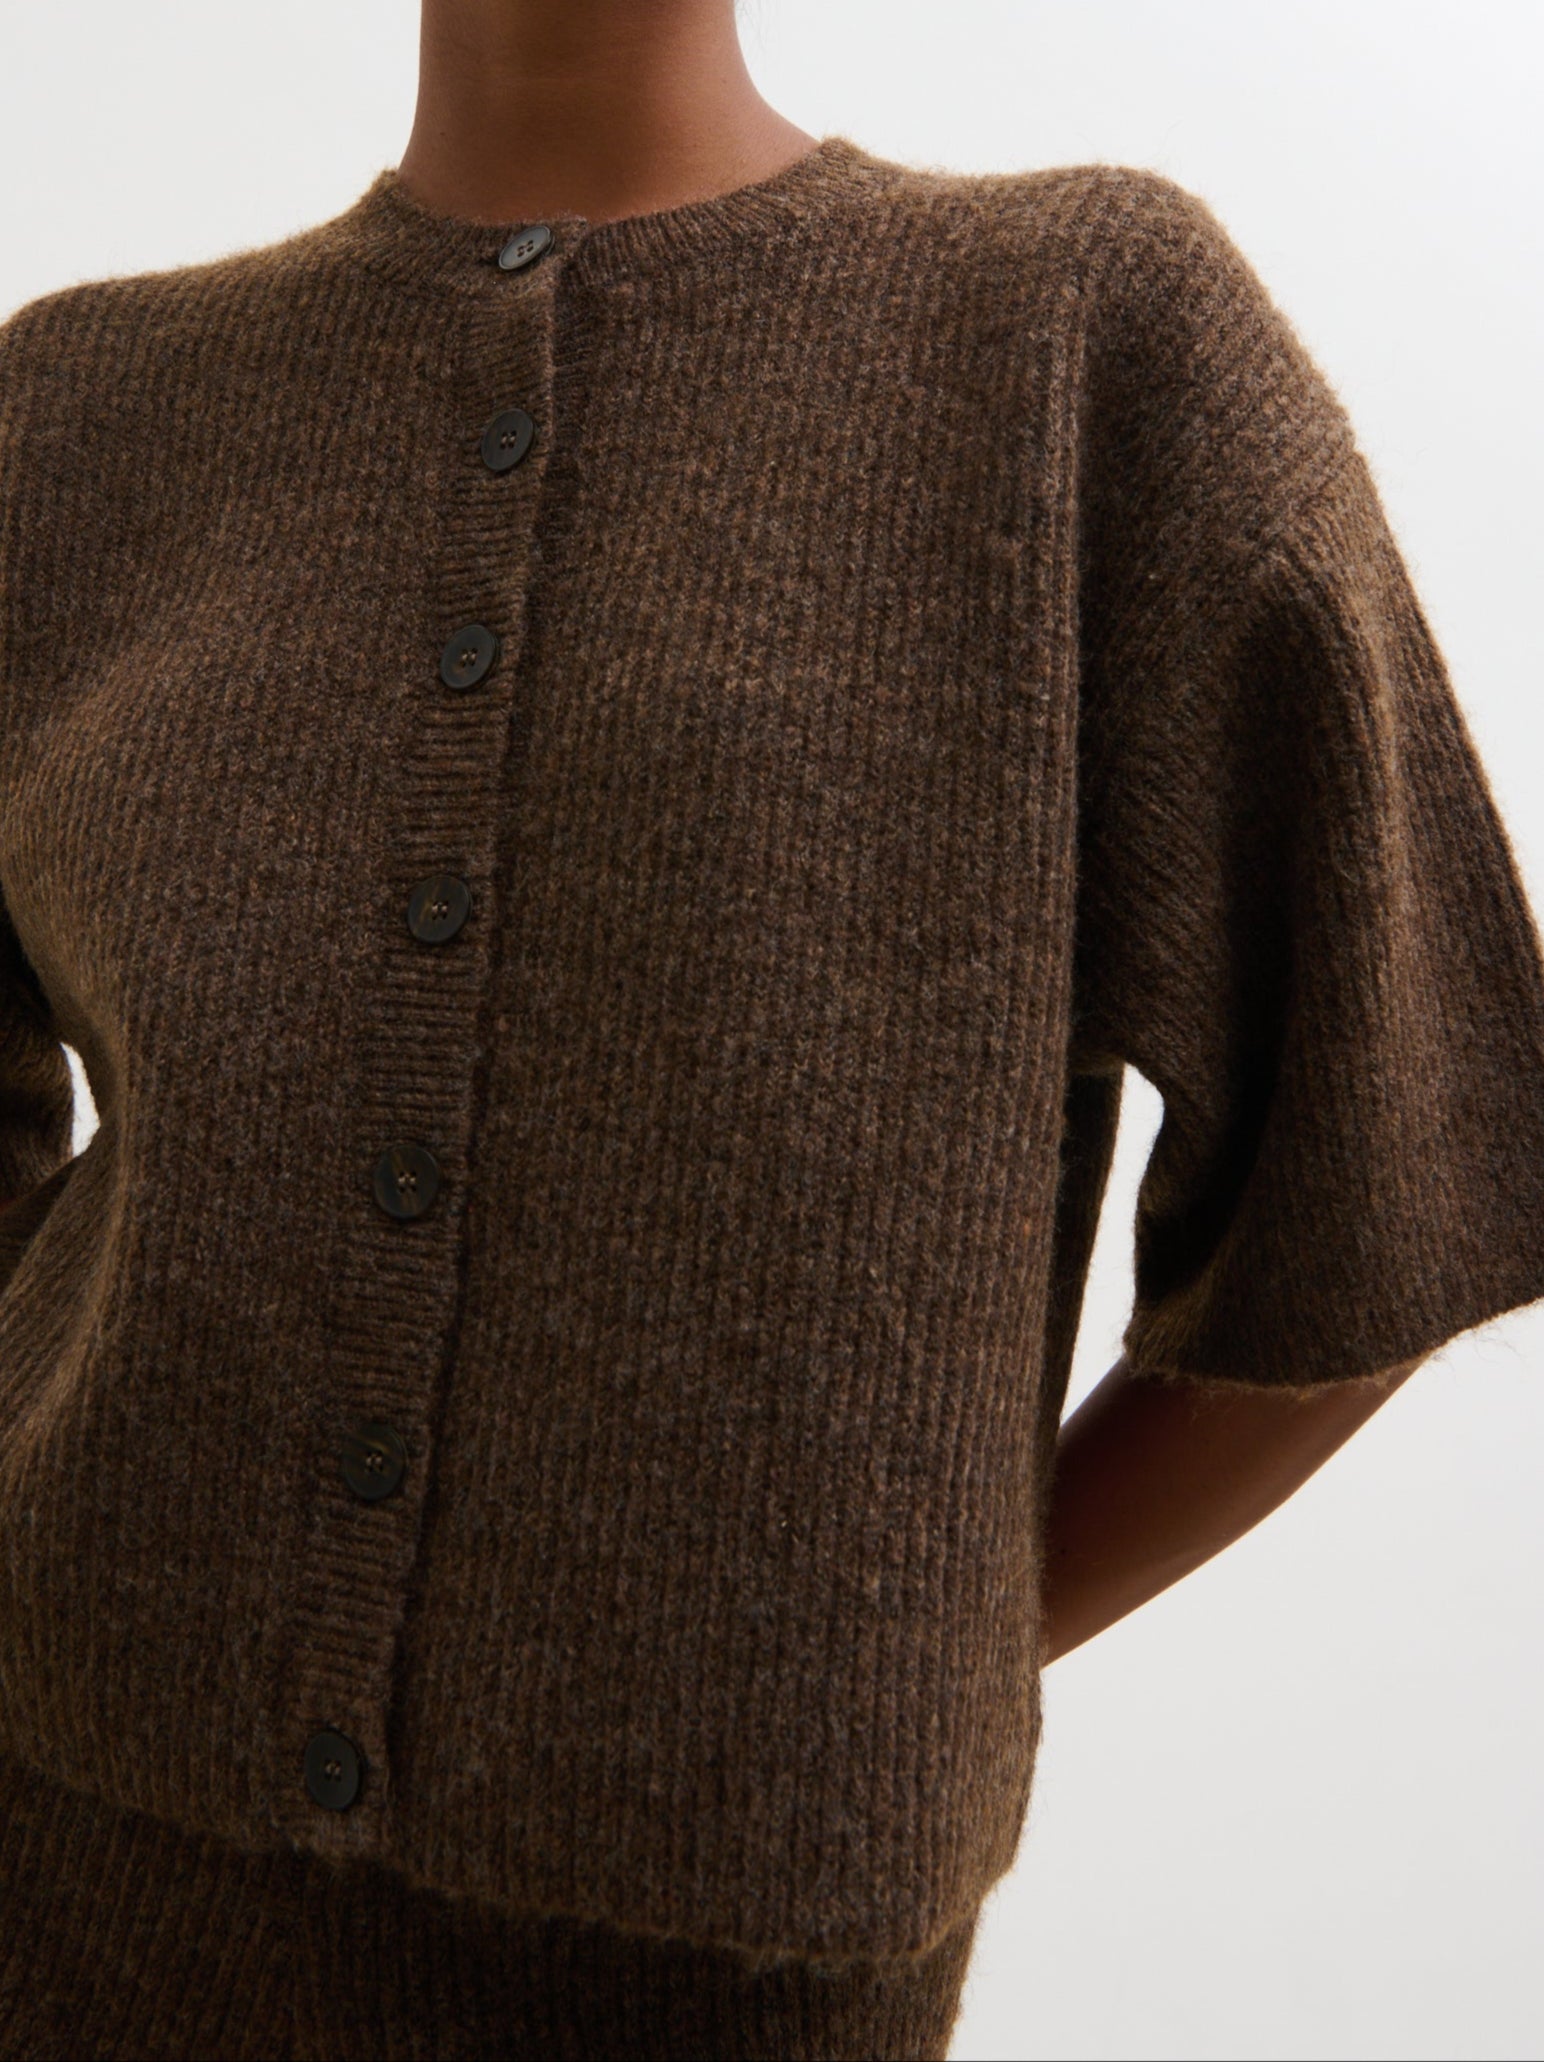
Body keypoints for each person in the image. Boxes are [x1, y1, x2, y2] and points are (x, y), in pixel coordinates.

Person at [2, 3, 1540, 2059]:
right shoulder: (76, 407)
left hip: (730, 1969)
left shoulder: (1075, 339)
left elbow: (1399, 1152)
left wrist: (901, 1655)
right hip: (55, 1827)